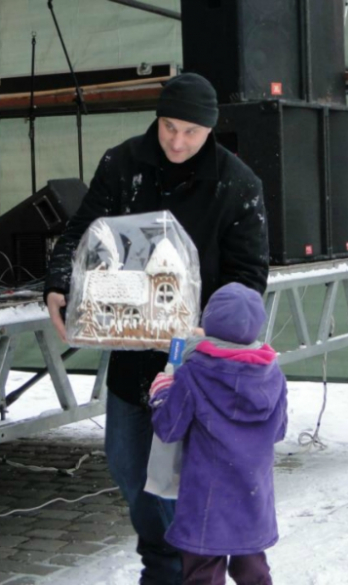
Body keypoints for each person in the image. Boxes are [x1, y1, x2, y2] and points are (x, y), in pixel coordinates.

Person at [45, 73, 269, 584]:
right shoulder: (122, 164)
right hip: (131, 352)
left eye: (191, 132)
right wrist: (59, 283)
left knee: (192, 474)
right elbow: (82, 233)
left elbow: (249, 277)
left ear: (210, 130)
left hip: (202, 366)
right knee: (129, 464)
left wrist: (201, 330)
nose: (177, 141)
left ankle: (186, 568)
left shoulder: (238, 184)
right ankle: (163, 560)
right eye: (169, 126)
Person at [148, 282, 286, 585]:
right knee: (254, 571)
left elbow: (168, 429)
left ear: (208, 322)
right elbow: (279, 431)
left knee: (203, 574)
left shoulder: (193, 373)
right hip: (252, 495)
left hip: (205, 501)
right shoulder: (273, 374)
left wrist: (160, 393)